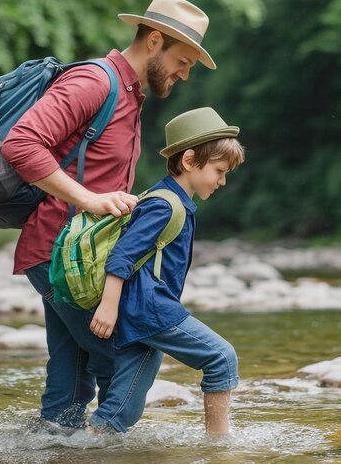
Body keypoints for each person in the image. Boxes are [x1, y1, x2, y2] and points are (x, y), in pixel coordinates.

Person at [1, 0, 217, 428]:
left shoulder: (131, 97)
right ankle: (106, 458)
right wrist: (89, 199)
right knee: (134, 352)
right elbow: (20, 143)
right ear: (154, 41)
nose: (184, 73)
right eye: (183, 60)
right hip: (61, 253)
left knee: (71, 383)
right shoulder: (95, 83)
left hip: (77, 257)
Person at [84, 107, 245, 434]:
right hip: (150, 309)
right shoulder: (164, 204)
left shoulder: (175, 201)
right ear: (189, 161)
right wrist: (109, 306)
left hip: (143, 315)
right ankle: (219, 444)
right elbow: (122, 255)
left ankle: (84, 451)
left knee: (123, 412)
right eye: (219, 171)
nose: (222, 181)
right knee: (221, 358)